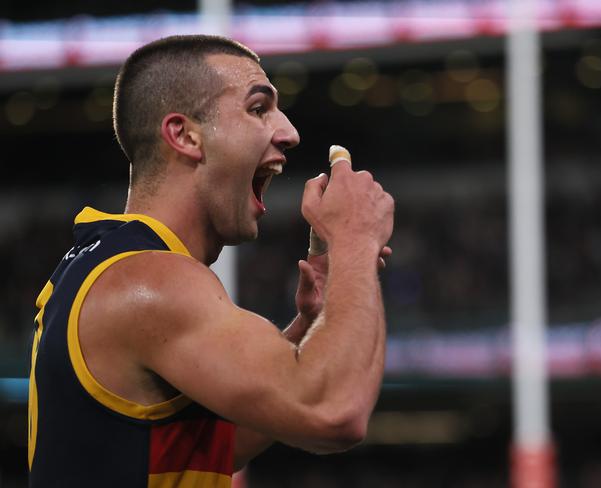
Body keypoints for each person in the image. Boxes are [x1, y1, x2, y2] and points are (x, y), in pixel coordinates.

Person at [28, 34, 394, 487]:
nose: (290, 132)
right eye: (258, 108)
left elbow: (212, 443)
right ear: (184, 135)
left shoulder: (105, 264)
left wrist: (313, 326)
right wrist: (357, 236)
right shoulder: (152, 281)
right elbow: (333, 412)